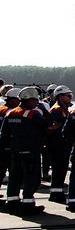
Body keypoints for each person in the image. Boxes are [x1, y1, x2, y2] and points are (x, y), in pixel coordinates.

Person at [0, 87, 49, 215]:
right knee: (30, 177)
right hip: (30, 150)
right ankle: (28, 204)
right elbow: (47, 124)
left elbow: (4, 133)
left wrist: (7, 147)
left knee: (15, 177)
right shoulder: (32, 114)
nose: (36, 103)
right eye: (35, 100)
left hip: (15, 151)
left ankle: (12, 202)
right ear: (30, 100)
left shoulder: (10, 113)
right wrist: (44, 110)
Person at [46, 85, 73, 203]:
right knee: (59, 168)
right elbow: (53, 127)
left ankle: (57, 191)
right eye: (68, 96)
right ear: (60, 97)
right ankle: (56, 193)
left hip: (62, 144)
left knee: (61, 168)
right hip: (58, 144)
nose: (70, 98)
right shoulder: (57, 110)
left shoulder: (62, 109)